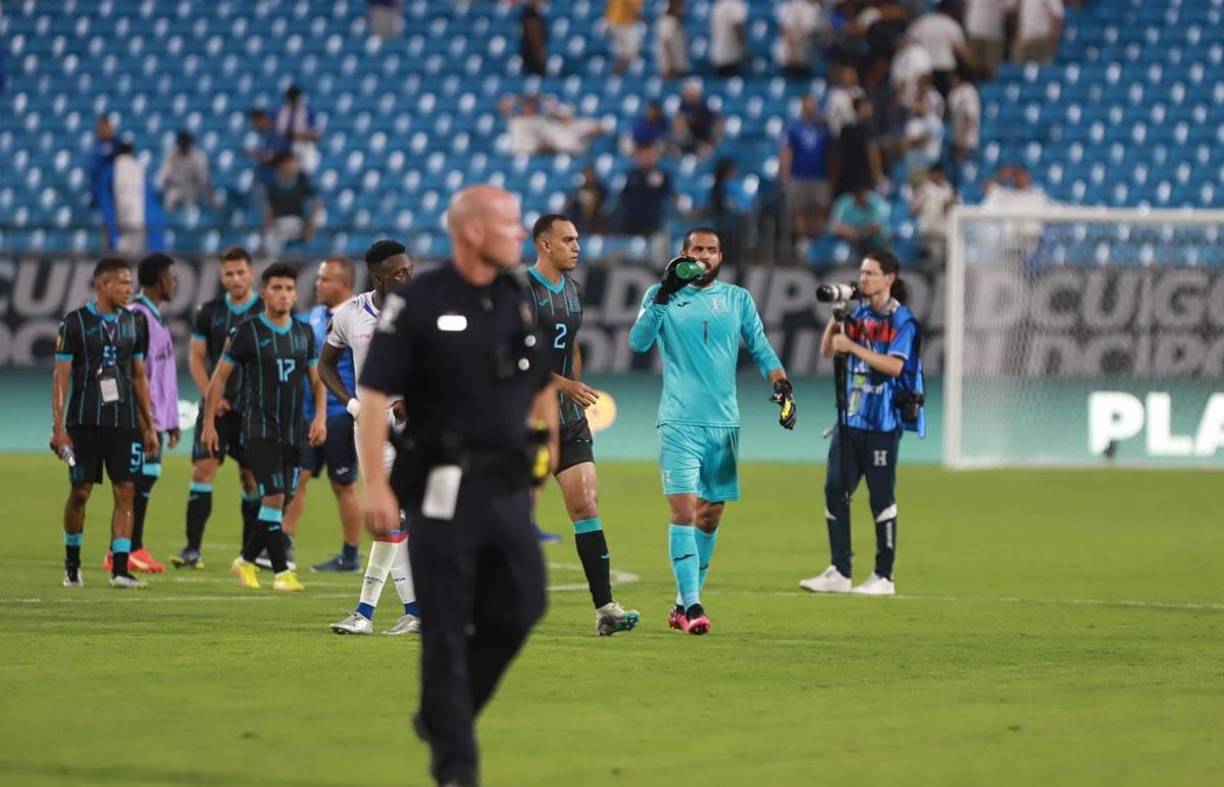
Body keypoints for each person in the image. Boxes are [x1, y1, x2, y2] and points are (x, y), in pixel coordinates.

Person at [357, 185, 558, 787]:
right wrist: (376, 486)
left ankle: (442, 715)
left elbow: (540, 386)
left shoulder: (515, 298)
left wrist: (541, 466)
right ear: (473, 231)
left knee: (524, 603)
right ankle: (456, 769)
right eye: (509, 223)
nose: (519, 233)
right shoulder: (417, 301)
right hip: (440, 488)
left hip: (507, 486)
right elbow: (373, 398)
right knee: (443, 628)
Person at [628, 228, 796, 635]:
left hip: (723, 423)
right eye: (698, 249)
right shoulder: (661, 295)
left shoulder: (737, 299)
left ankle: (681, 603)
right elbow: (638, 342)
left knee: (710, 514)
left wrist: (781, 384)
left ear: (721, 256)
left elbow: (760, 346)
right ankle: (693, 606)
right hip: (679, 421)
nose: (705, 256)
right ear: (684, 254)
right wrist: (664, 295)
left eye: (712, 250)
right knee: (684, 511)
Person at [527, 214, 641, 635]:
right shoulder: (522, 291)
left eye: (577, 239)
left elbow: (571, 344)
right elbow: (513, 358)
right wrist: (565, 384)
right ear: (545, 245)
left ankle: (606, 609)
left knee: (586, 505)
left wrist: (572, 383)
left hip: (569, 420)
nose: (577, 247)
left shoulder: (573, 290)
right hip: (526, 420)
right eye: (568, 240)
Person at [801, 251, 924, 596]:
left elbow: (896, 366)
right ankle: (839, 571)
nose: (863, 279)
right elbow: (827, 351)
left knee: (880, 497)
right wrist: (836, 316)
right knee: (834, 489)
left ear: (890, 278)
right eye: (862, 272)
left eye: (871, 273)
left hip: (882, 422)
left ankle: (884, 576)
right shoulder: (859, 314)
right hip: (850, 418)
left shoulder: (903, 320)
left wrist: (852, 347)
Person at [206, 263, 326, 592]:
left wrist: (320, 418)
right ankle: (281, 572)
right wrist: (209, 424)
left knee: (282, 500)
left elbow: (317, 381)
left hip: (294, 431)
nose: (284, 294)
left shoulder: (304, 333)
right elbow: (219, 380)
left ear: (296, 294)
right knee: (274, 496)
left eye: (289, 289)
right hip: (258, 428)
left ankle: (245, 561)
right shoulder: (247, 332)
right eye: (277, 288)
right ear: (264, 293)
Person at [324, 240, 421, 636]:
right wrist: (352, 404)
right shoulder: (350, 314)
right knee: (392, 519)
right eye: (400, 273)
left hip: (415, 427)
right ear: (379, 278)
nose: (409, 277)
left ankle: (365, 613)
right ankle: (415, 611)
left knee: (394, 517)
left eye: (410, 270)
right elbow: (325, 365)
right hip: (370, 427)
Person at [51, 257, 159, 589]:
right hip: (84, 422)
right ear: (104, 284)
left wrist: (149, 424)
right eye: (123, 283)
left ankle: (120, 569)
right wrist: (58, 428)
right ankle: (72, 565)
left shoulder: (135, 323)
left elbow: (139, 376)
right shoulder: (75, 323)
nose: (130, 289)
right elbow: (61, 377)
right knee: (80, 492)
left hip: (124, 422)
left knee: (126, 490)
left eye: (131, 283)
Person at [172, 246, 262, 570]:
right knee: (203, 469)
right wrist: (211, 395)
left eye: (241, 272)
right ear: (222, 277)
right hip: (216, 408)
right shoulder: (209, 312)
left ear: (251, 274)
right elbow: (197, 358)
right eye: (229, 273)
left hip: (252, 409)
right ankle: (192, 549)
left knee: (251, 478)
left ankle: (249, 553)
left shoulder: (265, 309)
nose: (236, 278)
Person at [281, 257, 361, 573]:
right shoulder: (312, 317)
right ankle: (283, 548)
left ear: (344, 284)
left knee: (343, 484)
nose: (318, 284)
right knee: (297, 478)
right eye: (318, 278)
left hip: (341, 414)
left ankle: (351, 555)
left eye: (325, 279)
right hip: (307, 413)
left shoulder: (359, 317)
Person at [109, 253, 181, 575]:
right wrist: (145, 420)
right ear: (160, 280)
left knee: (146, 479)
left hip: (157, 418)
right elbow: (133, 374)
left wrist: (171, 419)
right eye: (171, 278)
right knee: (134, 484)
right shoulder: (138, 316)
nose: (175, 283)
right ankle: (126, 550)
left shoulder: (152, 316)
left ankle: (131, 547)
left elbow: (162, 374)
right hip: (141, 418)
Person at [780, 95, 833, 240]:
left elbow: (831, 153)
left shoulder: (823, 128)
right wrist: (784, 175)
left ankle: (818, 244)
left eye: (813, 105)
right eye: (808, 105)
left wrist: (832, 175)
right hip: (798, 175)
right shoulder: (793, 128)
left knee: (820, 210)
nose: (811, 108)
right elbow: (787, 152)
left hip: (820, 175)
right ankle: (803, 243)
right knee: (799, 211)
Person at [263, 153, 321, 258]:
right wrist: (269, 226)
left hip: (299, 223)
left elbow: (317, 204)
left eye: (293, 162)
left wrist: (310, 224)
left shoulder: (302, 181)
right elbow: (270, 210)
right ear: (281, 166)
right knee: (270, 239)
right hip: (279, 223)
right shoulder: (272, 185)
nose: (292, 165)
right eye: (289, 162)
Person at [156, 131, 214, 211]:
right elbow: (163, 176)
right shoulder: (171, 156)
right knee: (170, 199)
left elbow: (204, 179)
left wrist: (211, 198)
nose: (183, 146)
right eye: (181, 144)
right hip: (176, 187)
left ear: (189, 144)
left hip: (191, 188)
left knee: (191, 207)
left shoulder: (198, 156)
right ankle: (169, 216)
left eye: (185, 144)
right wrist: (166, 182)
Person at [275, 85, 323, 174]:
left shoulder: (307, 111)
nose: (294, 101)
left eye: (295, 98)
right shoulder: (283, 111)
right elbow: (282, 131)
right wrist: (299, 134)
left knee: (306, 171)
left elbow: (315, 135)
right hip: (287, 147)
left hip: (306, 147)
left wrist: (297, 133)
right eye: (291, 98)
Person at [674, 80, 722, 157]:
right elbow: (678, 125)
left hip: (704, 140)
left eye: (689, 91)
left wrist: (711, 143)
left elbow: (718, 124)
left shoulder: (705, 106)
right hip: (688, 140)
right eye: (686, 91)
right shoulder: (683, 105)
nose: (685, 93)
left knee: (705, 151)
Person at [775, 0, 823, 79]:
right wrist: (792, 52)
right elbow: (787, 30)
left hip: (809, 58)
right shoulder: (796, 5)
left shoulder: (821, 8)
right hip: (792, 59)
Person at [1014, 0, 1063, 65]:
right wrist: (1019, 39)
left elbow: (1057, 16)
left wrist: (1053, 40)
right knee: (1018, 68)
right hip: (1024, 40)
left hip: (1042, 39)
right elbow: (1023, 17)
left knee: (1044, 68)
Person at [709, 0, 748, 76]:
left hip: (717, 55)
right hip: (732, 56)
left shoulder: (717, 5)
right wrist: (744, 48)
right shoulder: (735, 4)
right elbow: (737, 27)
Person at [606, 0, 645, 75]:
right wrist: (644, 20)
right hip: (624, 24)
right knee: (630, 53)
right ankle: (616, 75)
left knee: (625, 54)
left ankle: (616, 75)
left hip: (616, 22)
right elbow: (635, 9)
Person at [654, 0, 689, 79]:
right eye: (681, 6)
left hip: (679, 69)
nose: (683, 9)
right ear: (674, 7)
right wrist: (667, 66)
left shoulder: (676, 21)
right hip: (672, 70)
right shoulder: (667, 22)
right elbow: (664, 44)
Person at [520, 0, 549, 76]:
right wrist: (539, 51)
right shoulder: (530, 13)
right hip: (532, 54)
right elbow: (533, 33)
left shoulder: (536, 12)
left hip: (531, 53)